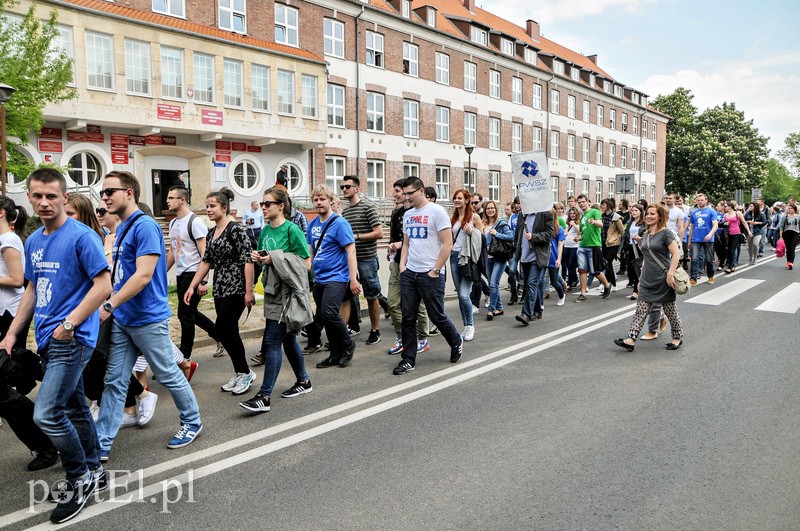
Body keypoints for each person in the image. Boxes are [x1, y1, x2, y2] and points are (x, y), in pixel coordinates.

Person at [0, 169, 112, 523]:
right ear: (29, 199)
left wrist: (71, 322)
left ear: (65, 197)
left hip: (72, 338)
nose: (44, 202)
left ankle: (79, 478)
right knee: (76, 408)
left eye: (51, 196)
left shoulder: (82, 237)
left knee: (46, 412)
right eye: (38, 196)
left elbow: (103, 286)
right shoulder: (33, 240)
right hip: (48, 338)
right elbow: (32, 290)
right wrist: (13, 333)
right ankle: (95, 468)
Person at [96, 171, 203, 459]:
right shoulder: (120, 228)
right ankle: (101, 441)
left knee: (168, 373)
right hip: (124, 318)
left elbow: (143, 276)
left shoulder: (144, 227)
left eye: (110, 191)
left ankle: (192, 422)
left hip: (146, 318)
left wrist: (109, 305)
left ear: (129, 192)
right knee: (115, 381)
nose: (104, 197)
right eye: (102, 192)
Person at [239, 187, 314, 413]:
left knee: (272, 342)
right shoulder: (264, 232)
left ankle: (264, 396)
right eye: (262, 204)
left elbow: (306, 264)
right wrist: (261, 259)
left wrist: (275, 259)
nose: (263, 207)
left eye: (268, 204)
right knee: (288, 339)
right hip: (272, 291)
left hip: (288, 295)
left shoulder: (292, 230)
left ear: (281, 206)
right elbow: (266, 262)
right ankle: (304, 381)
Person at [0, 195, 58, 472]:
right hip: (6, 317)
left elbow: (18, 280)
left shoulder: (9, 240)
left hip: (8, 317)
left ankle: (46, 442)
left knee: (8, 383)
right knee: (16, 372)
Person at [184, 188, 256, 395]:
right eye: (207, 206)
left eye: (212, 206)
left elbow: (248, 260)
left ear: (224, 208)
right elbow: (206, 261)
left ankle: (245, 373)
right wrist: (192, 285)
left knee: (224, 329)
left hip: (237, 288)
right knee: (229, 331)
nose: (208, 210)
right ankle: (241, 372)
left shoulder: (235, 230)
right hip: (221, 288)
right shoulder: (211, 232)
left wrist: (249, 292)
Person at [394, 177, 463, 375]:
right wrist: (402, 265)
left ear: (421, 191)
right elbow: (406, 243)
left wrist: (435, 270)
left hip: (430, 274)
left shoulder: (437, 212)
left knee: (436, 315)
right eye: (404, 193)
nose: (406, 197)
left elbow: (447, 243)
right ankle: (408, 359)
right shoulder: (408, 215)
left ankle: (455, 341)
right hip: (410, 272)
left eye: (410, 193)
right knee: (408, 317)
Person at [614, 204, 684, 352]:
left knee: (670, 310)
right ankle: (631, 339)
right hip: (647, 278)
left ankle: (677, 337)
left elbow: (676, 254)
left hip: (663, 278)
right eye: (648, 214)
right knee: (640, 310)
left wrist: (670, 274)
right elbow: (646, 256)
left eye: (653, 214)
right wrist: (640, 279)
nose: (649, 216)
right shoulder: (646, 234)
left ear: (660, 216)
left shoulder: (666, 233)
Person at [304, 185, 360, 366]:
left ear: (330, 201)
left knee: (329, 313)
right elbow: (310, 253)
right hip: (319, 278)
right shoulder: (312, 224)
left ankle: (348, 344)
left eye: (322, 199)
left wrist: (353, 279)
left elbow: (351, 251)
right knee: (326, 317)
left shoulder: (340, 223)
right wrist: (308, 274)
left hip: (337, 277)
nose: (319, 203)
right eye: (316, 200)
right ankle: (335, 354)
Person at [166, 185, 223, 362]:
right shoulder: (174, 222)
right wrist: (159, 273)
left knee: (185, 314)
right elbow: (173, 251)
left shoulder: (195, 222)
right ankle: (220, 335)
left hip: (194, 273)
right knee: (191, 313)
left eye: (171, 197)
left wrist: (203, 281)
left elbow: (205, 255)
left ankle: (184, 358)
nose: (167, 200)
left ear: (182, 200)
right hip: (182, 274)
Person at [340, 175, 384, 345]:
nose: (344, 189)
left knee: (372, 295)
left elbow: (379, 233)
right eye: (343, 186)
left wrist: (356, 236)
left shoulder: (368, 207)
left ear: (357, 188)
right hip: (349, 261)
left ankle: (375, 330)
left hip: (367, 259)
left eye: (348, 186)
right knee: (348, 297)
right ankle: (344, 333)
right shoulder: (346, 212)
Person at [387, 180, 430, 354]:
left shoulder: (415, 212)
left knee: (416, 304)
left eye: (398, 191)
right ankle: (402, 336)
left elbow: (418, 240)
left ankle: (422, 337)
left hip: (415, 264)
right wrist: (391, 250)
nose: (395, 194)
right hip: (397, 263)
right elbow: (395, 237)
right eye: (396, 191)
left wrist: (399, 244)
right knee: (392, 302)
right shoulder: (397, 211)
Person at [449, 189, 483, 341]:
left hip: (467, 259)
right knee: (460, 296)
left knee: (464, 295)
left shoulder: (474, 217)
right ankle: (465, 325)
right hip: (454, 257)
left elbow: (482, 239)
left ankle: (470, 326)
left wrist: (471, 232)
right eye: (455, 198)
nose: (457, 200)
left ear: (467, 200)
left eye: (460, 198)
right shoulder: (454, 217)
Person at [514, 203, 555, 325]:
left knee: (532, 284)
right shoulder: (522, 214)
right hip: (524, 256)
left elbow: (550, 234)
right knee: (532, 284)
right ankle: (538, 310)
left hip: (537, 256)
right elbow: (518, 235)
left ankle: (526, 314)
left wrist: (534, 237)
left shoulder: (545, 213)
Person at [574, 194, 612, 302]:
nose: (581, 204)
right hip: (582, 247)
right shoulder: (582, 217)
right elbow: (583, 232)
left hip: (593, 246)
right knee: (582, 271)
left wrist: (594, 222)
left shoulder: (595, 212)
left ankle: (607, 285)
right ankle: (583, 294)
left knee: (595, 271)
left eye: (583, 202)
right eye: (579, 202)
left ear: (587, 202)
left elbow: (600, 224)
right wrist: (578, 238)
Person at [483, 200, 514, 319]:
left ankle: (491, 310)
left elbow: (511, 237)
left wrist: (497, 234)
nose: (490, 210)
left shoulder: (501, 223)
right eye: (488, 208)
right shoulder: (484, 224)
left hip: (499, 257)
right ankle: (499, 308)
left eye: (492, 208)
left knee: (493, 283)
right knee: (493, 284)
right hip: (488, 257)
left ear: (496, 210)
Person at [687, 193, 719, 285]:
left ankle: (711, 276)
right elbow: (692, 227)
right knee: (694, 258)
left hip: (708, 239)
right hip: (696, 239)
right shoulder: (694, 213)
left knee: (709, 259)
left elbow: (715, 225)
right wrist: (690, 240)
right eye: (698, 200)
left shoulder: (711, 211)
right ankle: (693, 278)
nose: (700, 202)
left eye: (702, 200)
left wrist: (710, 234)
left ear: (706, 201)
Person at [621, 203, 645, 300]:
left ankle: (636, 291)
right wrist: (620, 250)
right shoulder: (630, 222)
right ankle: (639, 286)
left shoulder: (644, 223)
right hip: (630, 247)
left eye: (636, 210)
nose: (634, 212)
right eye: (633, 211)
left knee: (638, 269)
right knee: (630, 269)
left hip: (640, 248)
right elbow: (624, 237)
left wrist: (640, 238)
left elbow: (647, 235)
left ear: (641, 212)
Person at [722, 201, 751, 273]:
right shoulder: (725, 215)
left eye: (725, 206)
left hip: (736, 233)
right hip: (727, 234)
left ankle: (730, 267)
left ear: (730, 207)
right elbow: (722, 223)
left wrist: (749, 231)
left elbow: (744, 222)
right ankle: (733, 265)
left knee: (732, 250)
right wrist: (724, 223)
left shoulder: (737, 213)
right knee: (728, 250)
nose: (724, 208)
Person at [562, 206, 581, 291]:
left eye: (573, 213)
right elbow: (565, 231)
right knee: (566, 263)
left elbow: (580, 232)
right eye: (570, 213)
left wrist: (574, 225)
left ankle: (569, 283)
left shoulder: (578, 222)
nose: (572, 215)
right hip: (566, 245)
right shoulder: (567, 222)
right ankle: (575, 279)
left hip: (575, 245)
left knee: (571, 264)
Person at [779, 203, 800, 270]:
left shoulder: (798, 217)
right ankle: (788, 261)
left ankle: (791, 262)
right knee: (788, 248)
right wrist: (781, 236)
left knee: (792, 248)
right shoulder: (785, 217)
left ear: (795, 209)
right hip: (786, 233)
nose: (790, 210)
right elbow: (781, 226)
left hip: (795, 233)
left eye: (792, 208)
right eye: (789, 208)